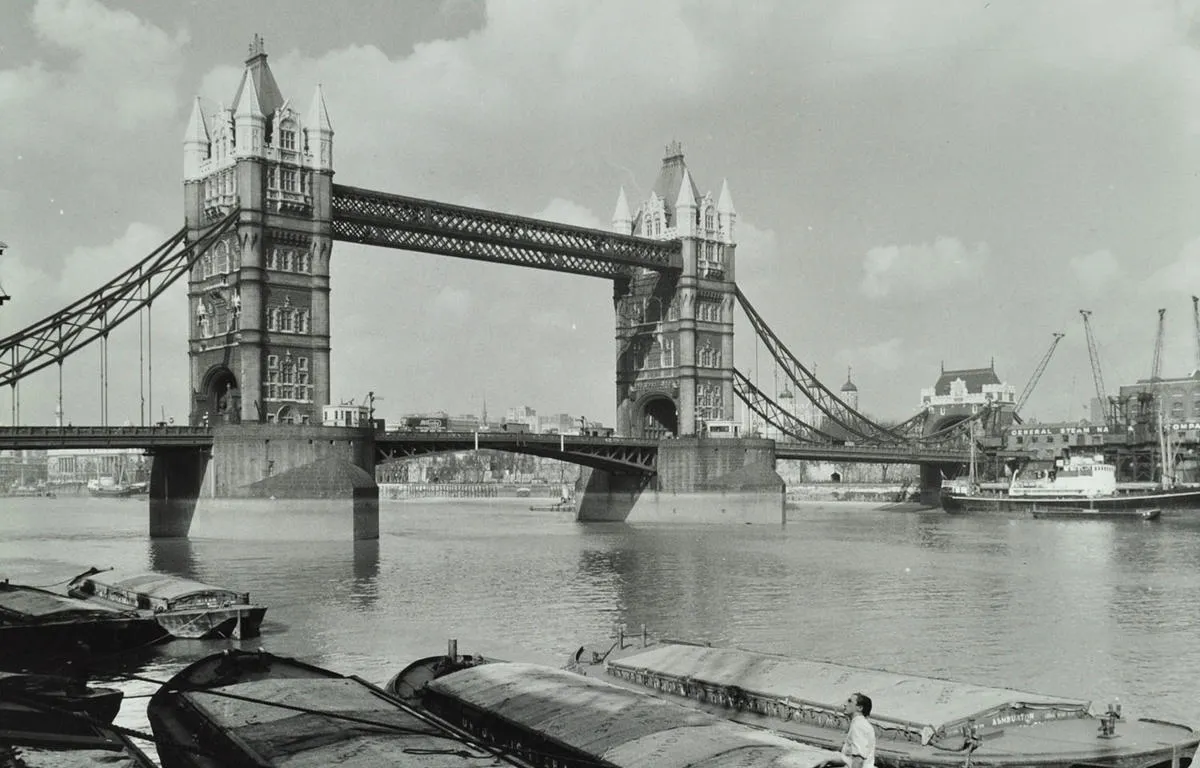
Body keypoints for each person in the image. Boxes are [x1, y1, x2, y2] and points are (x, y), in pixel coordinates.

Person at [823, 692, 876, 768]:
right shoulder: (859, 723)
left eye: (849, 701)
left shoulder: (859, 725)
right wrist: (829, 761)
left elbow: (859, 760)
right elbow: (850, 759)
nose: (845, 704)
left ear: (860, 708)